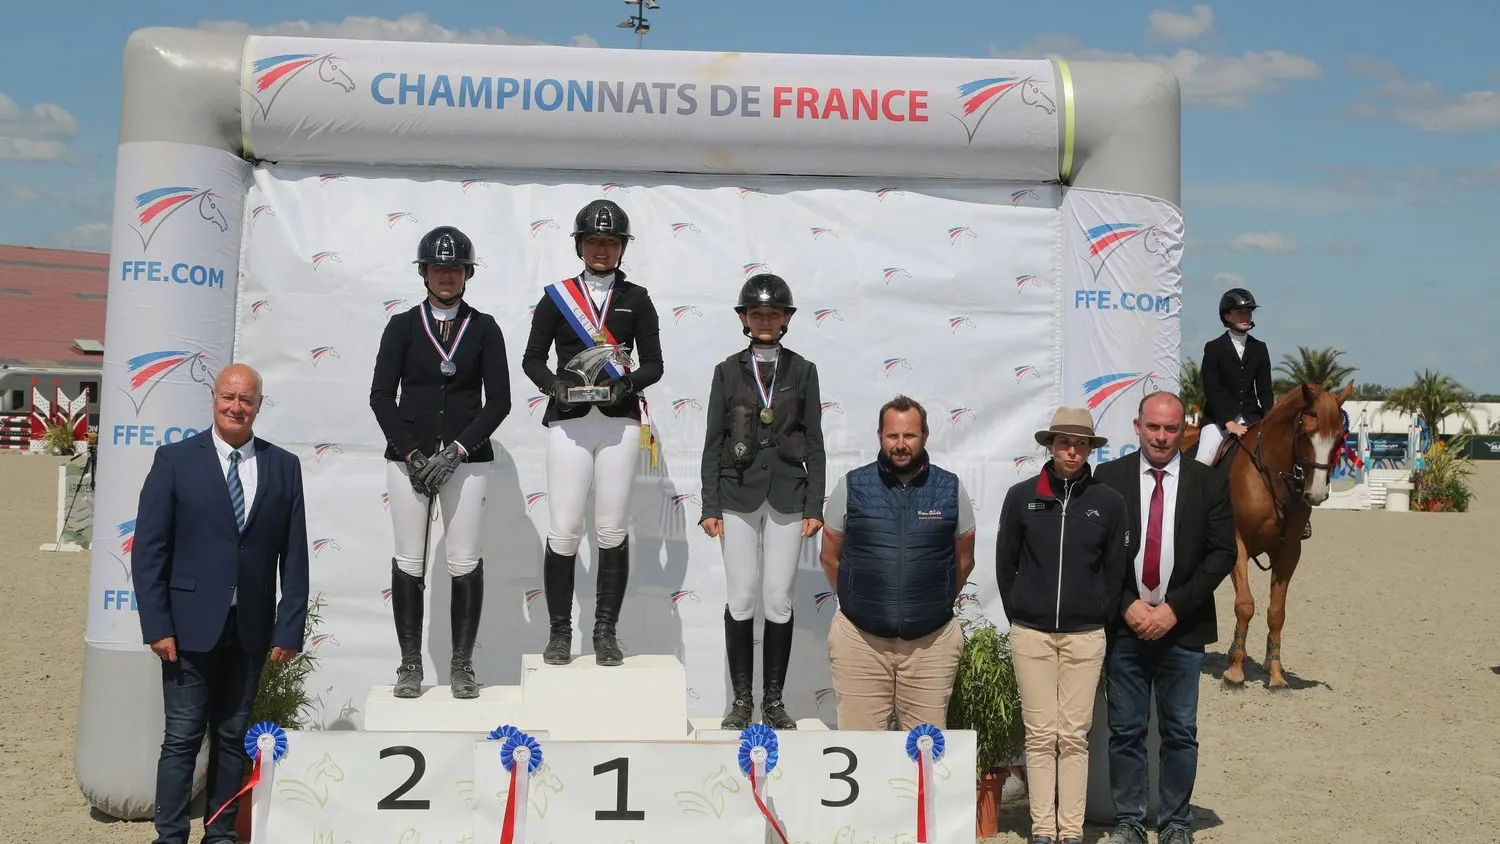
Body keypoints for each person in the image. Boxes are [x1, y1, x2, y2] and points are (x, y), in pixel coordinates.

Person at [132, 363, 310, 844]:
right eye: (229, 397)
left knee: (233, 738)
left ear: (258, 405)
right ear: (214, 398)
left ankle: (221, 834)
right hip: (186, 628)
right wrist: (157, 625)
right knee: (183, 738)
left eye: (246, 399)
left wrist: (289, 627)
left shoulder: (283, 466)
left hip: (250, 629)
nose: (237, 407)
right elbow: (149, 552)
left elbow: (295, 557)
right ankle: (169, 836)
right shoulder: (174, 461)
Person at [370, 225, 512, 699]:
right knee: (409, 559)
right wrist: (412, 453)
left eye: (454, 269)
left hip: (465, 461)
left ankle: (461, 665)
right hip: (407, 459)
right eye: (437, 268)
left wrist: (456, 451)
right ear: (424, 272)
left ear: (467, 273)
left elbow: (500, 403)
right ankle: (410, 664)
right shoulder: (402, 326)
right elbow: (380, 397)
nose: (446, 276)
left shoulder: (486, 327)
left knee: (464, 560)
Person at [522, 199, 664, 666]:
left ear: (622, 248)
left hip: (620, 422)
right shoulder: (556, 297)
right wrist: (554, 385)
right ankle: (560, 633)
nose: (601, 249)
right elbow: (532, 358)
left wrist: (628, 382)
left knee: (610, 528)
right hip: (570, 423)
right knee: (564, 529)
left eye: (610, 242)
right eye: (593, 241)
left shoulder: (636, 299)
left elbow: (655, 365)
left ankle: (605, 631)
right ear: (580, 245)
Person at [1094, 392, 1236, 844]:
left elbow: (1222, 554)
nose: (1161, 436)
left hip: (1184, 627)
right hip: (1126, 627)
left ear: (1183, 430)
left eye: (1171, 428)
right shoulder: (1108, 477)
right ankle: (1130, 823)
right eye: (1153, 427)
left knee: (1179, 732)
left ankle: (1176, 823)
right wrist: (1126, 605)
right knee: (1125, 731)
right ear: (1137, 427)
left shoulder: (1208, 482)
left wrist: (1173, 608)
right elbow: (1093, 554)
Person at [995, 407, 1130, 844]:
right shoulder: (1020, 497)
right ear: (1049, 446)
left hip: (1085, 636)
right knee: (1039, 735)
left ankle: (1069, 831)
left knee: (1073, 735)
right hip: (1031, 634)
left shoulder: (1108, 502)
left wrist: (1095, 615)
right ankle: (1041, 830)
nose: (1071, 451)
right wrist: (1021, 610)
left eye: (1080, 444)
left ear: (1090, 449)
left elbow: (1115, 573)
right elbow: (1005, 564)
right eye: (1063, 442)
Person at [699, 273, 827, 731]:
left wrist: (815, 505)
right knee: (742, 596)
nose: (766, 321)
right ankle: (741, 702)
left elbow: (815, 440)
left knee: (778, 599)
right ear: (744, 319)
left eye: (774, 314)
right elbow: (713, 440)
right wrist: (709, 505)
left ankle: (773, 701)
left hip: (789, 495)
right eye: (757, 314)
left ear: (786, 319)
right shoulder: (727, 370)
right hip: (736, 493)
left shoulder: (804, 370)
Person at [817, 396, 975, 730]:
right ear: (879, 436)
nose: (901, 444)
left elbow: (964, 561)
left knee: (924, 758)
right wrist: (859, 599)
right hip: (860, 643)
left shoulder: (950, 489)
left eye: (909, 435)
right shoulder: (851, 486)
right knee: (861, 753)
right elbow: (830, 557)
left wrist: (931, 602)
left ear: (925, 436)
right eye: (893, 436)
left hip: (930, 646)